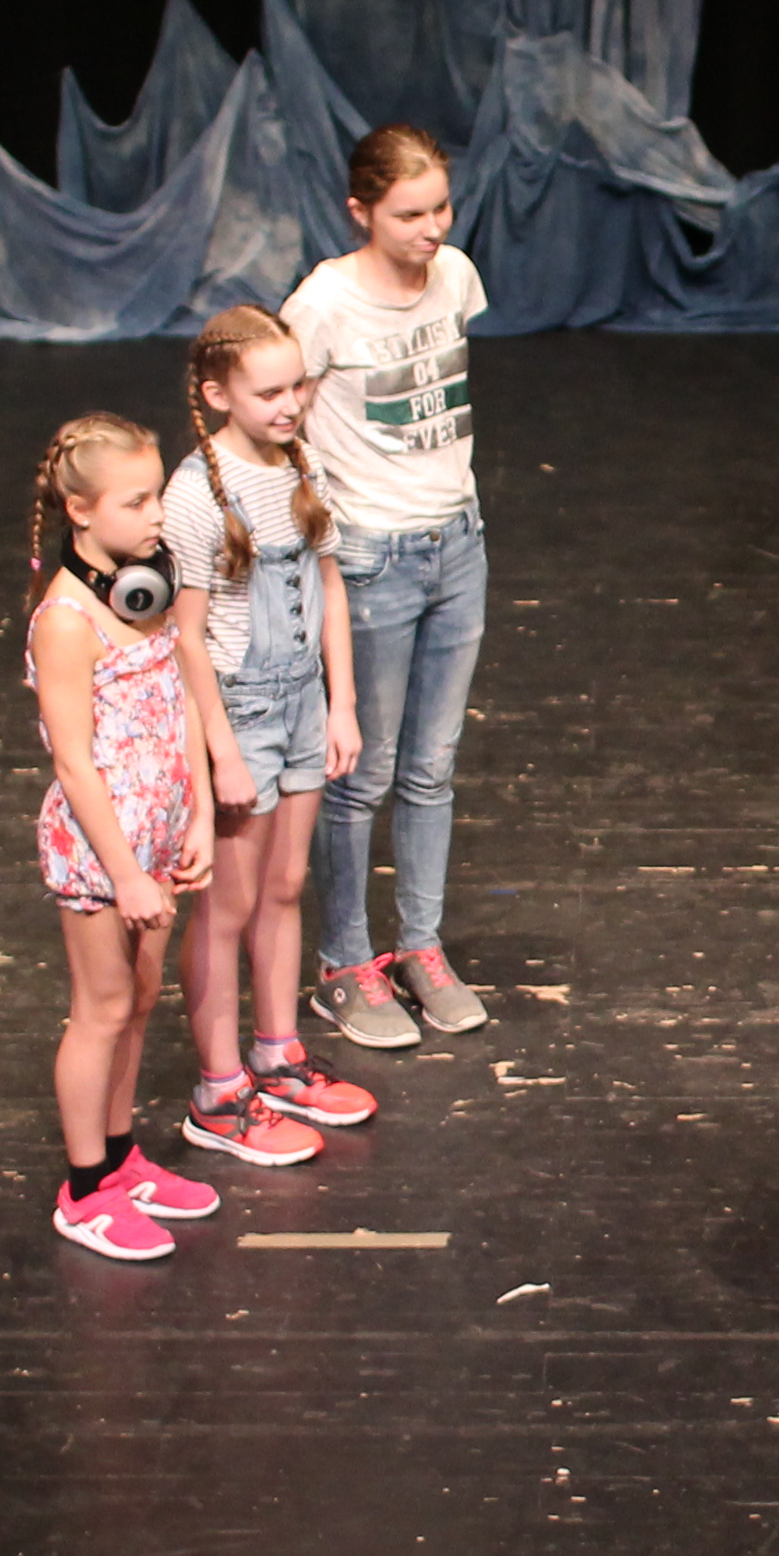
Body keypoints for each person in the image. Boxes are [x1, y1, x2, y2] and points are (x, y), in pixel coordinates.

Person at [287, 125, 497, 1049]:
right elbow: (281, 411)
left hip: (458, 542)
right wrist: (319, 525)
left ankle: (420, 945)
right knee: (362, 771)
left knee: (431, 766)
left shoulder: (455, 278)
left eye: (441, 207)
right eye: (409, 214)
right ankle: (344, 963)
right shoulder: (324, 303)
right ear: (361, 211)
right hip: (372, 557)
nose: (432, 228)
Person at [165, 303, 379, 1166]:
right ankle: (218, 1092)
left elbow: (329, 586)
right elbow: (185, 637)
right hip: (241, 713)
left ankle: (276, 1054)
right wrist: (220, 752)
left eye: (298, 386)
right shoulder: (196, 493)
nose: (290, 405)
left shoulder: (300, 462)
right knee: (228, 905)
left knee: (286, 885)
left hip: (300, 704)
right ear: (219, 395)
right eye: (269, 393)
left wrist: (341, 703)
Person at [22, 414, 224, 1261]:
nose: (156, 516)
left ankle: (118, 1155)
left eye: (156, 498)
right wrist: (126, 875)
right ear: (80, 510)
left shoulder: (144, 590)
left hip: (157, 834)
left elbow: (181, 702)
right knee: (101, 1010)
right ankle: (84, 1189)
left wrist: (200, 811)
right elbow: (74, 763)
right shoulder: (68, 621)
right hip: (103, 850)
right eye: (135, 502)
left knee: (139, 1001)